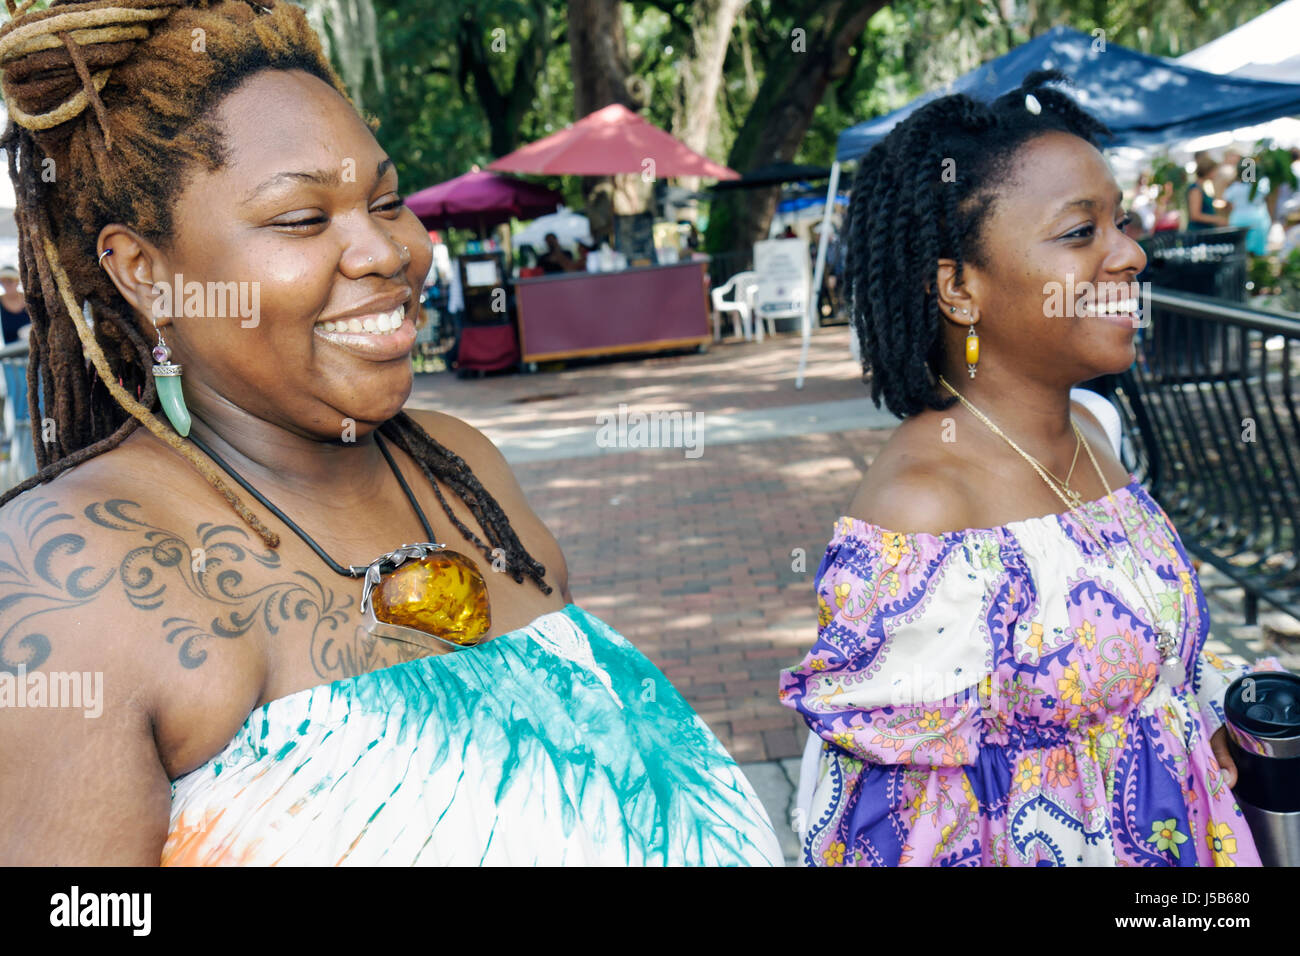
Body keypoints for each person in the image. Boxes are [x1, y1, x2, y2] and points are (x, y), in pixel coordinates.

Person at [0, 0, 782, 867]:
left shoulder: (459, 465)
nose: (385, 253)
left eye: (387, 201)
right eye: (301, 219)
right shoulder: (72, 572)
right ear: (146, 272)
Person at [779, 70, 1272, 867]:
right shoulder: (924, 511)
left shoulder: (1090, 427)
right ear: (960, 288)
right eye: (1081, 233)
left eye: (1123, 222)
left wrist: (1207, 714)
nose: (1133, 254)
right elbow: (894, 834)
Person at [1187, 152, 1229, 230]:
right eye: (1215, 171)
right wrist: (1217, 219)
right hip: (1198, 232)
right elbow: (1195, 215)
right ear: (1208, 171)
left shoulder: (1203, 187)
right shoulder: (1195, 189)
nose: (1216, 174)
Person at [0, 264, 29, 344]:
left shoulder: (30, 298)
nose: (6, 285)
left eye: (9, 281)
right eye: (2, 282)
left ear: (17, 281)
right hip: (9, 354)